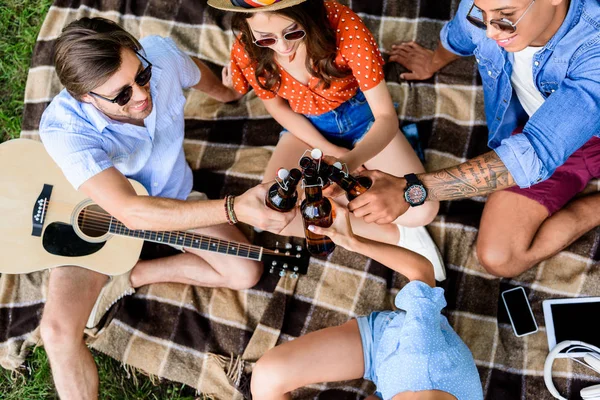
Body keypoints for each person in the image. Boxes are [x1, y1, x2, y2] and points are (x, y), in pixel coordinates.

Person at [38, 17, 296, 400]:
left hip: (174, 197)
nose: (141, 94)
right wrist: (234, 209)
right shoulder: (64, 129)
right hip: (101, 219)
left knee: (246, 271)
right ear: (85, 97)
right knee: (57, 334)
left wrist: (227, 92)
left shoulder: (160, 56)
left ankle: (134, 275)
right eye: (121, 95)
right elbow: (131, 212)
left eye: (140, 75)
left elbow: (199, 75)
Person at [353, 0, 600, 278]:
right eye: (483, 15)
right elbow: (460, 35)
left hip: (556, 144)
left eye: (506, 17)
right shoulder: (482, 8)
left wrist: (412, 190)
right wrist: (432, 62)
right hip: (544, 136)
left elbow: (534, 153)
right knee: (499, 258)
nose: (491, 32)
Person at [211, 0, 445, 279]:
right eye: (266, 38)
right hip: (306, 128)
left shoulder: (346, 26)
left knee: (423, 209)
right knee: (269, 214)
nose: (283, 48)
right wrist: (331, 151)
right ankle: (395, 236)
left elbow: (385, 117)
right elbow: (277, 108)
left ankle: (370, 216)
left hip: (363, 119)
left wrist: (345, 164)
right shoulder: (246, 46)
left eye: (293, 32)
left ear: (308, 14)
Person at [250, 205, 484, 400]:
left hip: (396, 383)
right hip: (386, 344)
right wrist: (353, 241)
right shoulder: (421, 356)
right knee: (267, 377)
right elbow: (421, 270)